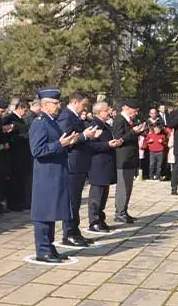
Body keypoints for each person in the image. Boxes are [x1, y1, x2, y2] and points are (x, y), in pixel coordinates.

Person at [29, 88, 79, 264]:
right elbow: (37, 150)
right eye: (55, 103)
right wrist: (60, 144)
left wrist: (68, 143)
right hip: (46, 175)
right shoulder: (40, 123)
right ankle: (42, 249)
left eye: (59, 103)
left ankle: (49, 246)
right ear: (44, 105)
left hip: (55, 173)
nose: (59, 106)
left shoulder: (52, 121)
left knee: (51, 212)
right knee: (43, 213)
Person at [57, 92, 95, 243]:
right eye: (83, 105)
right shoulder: (66, 116)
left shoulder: (74, 116)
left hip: (79, 163)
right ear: (75, 102)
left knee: (76, 200)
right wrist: (85, 135)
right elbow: (67, 139)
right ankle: (69, 233)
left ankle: (75, 231)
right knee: (71, 200)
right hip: (72, 163)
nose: (84, 109)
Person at [85, 101, 122, 233]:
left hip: (105, 164)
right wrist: (108, 145)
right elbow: (90, 145)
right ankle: (94, 221)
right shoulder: (94, 125)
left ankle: (100, 219)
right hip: (97, 164)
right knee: (96, 195)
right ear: (99, 112)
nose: (109, 111)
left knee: (103, 194)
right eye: (106, 110)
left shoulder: (104, 124)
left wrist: (114, 143)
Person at [113, 100, 146, 215]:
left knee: (128, 187)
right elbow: (118, 138)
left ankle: (124, 211)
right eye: (134, 110)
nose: (136, 113)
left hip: (131, 158)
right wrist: (133, 131)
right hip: (123, 158)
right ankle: (120, 212)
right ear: (126, 108)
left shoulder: (130, 120)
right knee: (123, 188)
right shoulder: (119, 119)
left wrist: (139, 131)